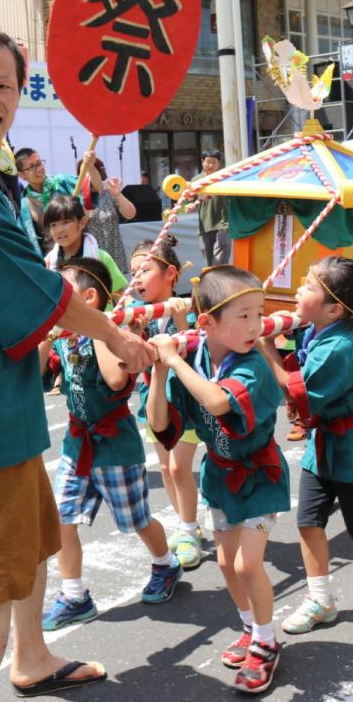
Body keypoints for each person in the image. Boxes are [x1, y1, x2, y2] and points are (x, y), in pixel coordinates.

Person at [0, 21, 153, 702]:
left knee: (36, 539)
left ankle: (33, 657)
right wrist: (119, 338)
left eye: (4, 85)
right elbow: (42, 295)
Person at [255, 258, 353, 638]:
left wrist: (266, 348)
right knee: (309, 521)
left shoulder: (340, 344)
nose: (298, 288)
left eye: (308, 285)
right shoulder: (319, 330)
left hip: (352, 446)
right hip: (323, 442)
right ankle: (320, 599)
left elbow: (299, 393)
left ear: (333, 308)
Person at [146, 266, 286, 694]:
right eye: (242, 316)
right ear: (207, 322)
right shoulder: (196, 359)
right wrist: (158, 370)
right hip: (220, 477)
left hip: (259, 476)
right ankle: (249, 626)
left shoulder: (252, 366)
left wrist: (172, 358)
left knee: (247, 563)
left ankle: (267, 641)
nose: (255, 326)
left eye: (258, 314)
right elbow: (160, 425)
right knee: (226, 564)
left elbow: (218, 402)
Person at [38, 258, 183, 630]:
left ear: (88, 298)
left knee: (137, 519)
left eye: (63, 292)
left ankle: (166, 564)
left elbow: (116, 381)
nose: (56, 301)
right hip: (77, 443)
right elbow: (36, 372)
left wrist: (102, 330)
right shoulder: (65, 334)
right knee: (62, 519)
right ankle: (74, 595)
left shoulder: (114, 333)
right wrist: (46, 336)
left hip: (115, 445)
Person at [128, 236, 204, 570]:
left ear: (171, 273)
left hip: (183, 401)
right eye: (133, 273)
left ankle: (188, 530)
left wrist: (182, 319)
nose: (137, 279)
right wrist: (134, 330)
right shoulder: (138, 314)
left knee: (178, 467)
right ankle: (185, 523)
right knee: (164, 468)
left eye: (145, 270)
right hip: (154, 399)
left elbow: (190, 348)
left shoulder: (184, 305)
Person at [16, 147, 102, 254]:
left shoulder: (62, 182)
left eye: (39, 163)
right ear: (21, 175)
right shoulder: (22, 204)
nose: (38, 168)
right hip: (51, 260)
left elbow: (97, 187)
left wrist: (90, 166)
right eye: (31, 167)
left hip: (80, 251)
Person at [42, 195, 128, 300]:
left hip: (99, 316)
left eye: (65, 222)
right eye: (53, 225)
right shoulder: (48, 263)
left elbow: (120, 296)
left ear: (82, 223)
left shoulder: (101, 258)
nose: (59, 230)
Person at [82, 156, 136, 273]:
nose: (89, 176)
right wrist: (85, 195)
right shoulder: (78, 196)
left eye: (92, 170)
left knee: (117, 291)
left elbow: (130, 214)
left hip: (113, 252)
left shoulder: (109, 192)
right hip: (90, 255)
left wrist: (117, 194)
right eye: (85, 171)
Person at [195, 149, 231, 266]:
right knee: (209, 264)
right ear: (202, 162)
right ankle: (213, 283)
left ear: (219, 163)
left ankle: (222, 281)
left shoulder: (226, 178)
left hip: (223, 224)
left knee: (220, 261)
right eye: (208, 162)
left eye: (214, 162)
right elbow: (186, 203)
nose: (210, 165)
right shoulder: (196, 181)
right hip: (204, 226)